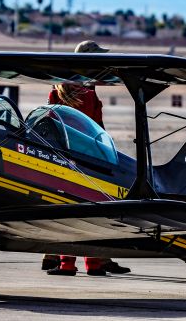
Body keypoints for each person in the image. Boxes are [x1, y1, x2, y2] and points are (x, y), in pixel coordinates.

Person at [43, 40, 131, 277]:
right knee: (90, 208)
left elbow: (50, 122)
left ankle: (65, 263)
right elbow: (96, 128)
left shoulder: (58, 88)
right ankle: (92, 263)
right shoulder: (88, 91)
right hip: (88, 157)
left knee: (67, 208)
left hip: (62, 156)